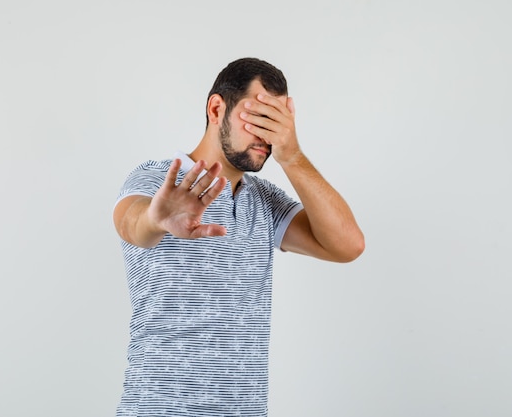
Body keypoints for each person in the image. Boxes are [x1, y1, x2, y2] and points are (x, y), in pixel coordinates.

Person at [112, 57, 365, 417]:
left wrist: (292, 156)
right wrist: (156, 218)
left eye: (277, 124)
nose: (268, 136)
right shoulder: (157, 180)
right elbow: (132, 223)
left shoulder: (263, 200)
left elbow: (348, 245)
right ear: (217, 109)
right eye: (259, 118)